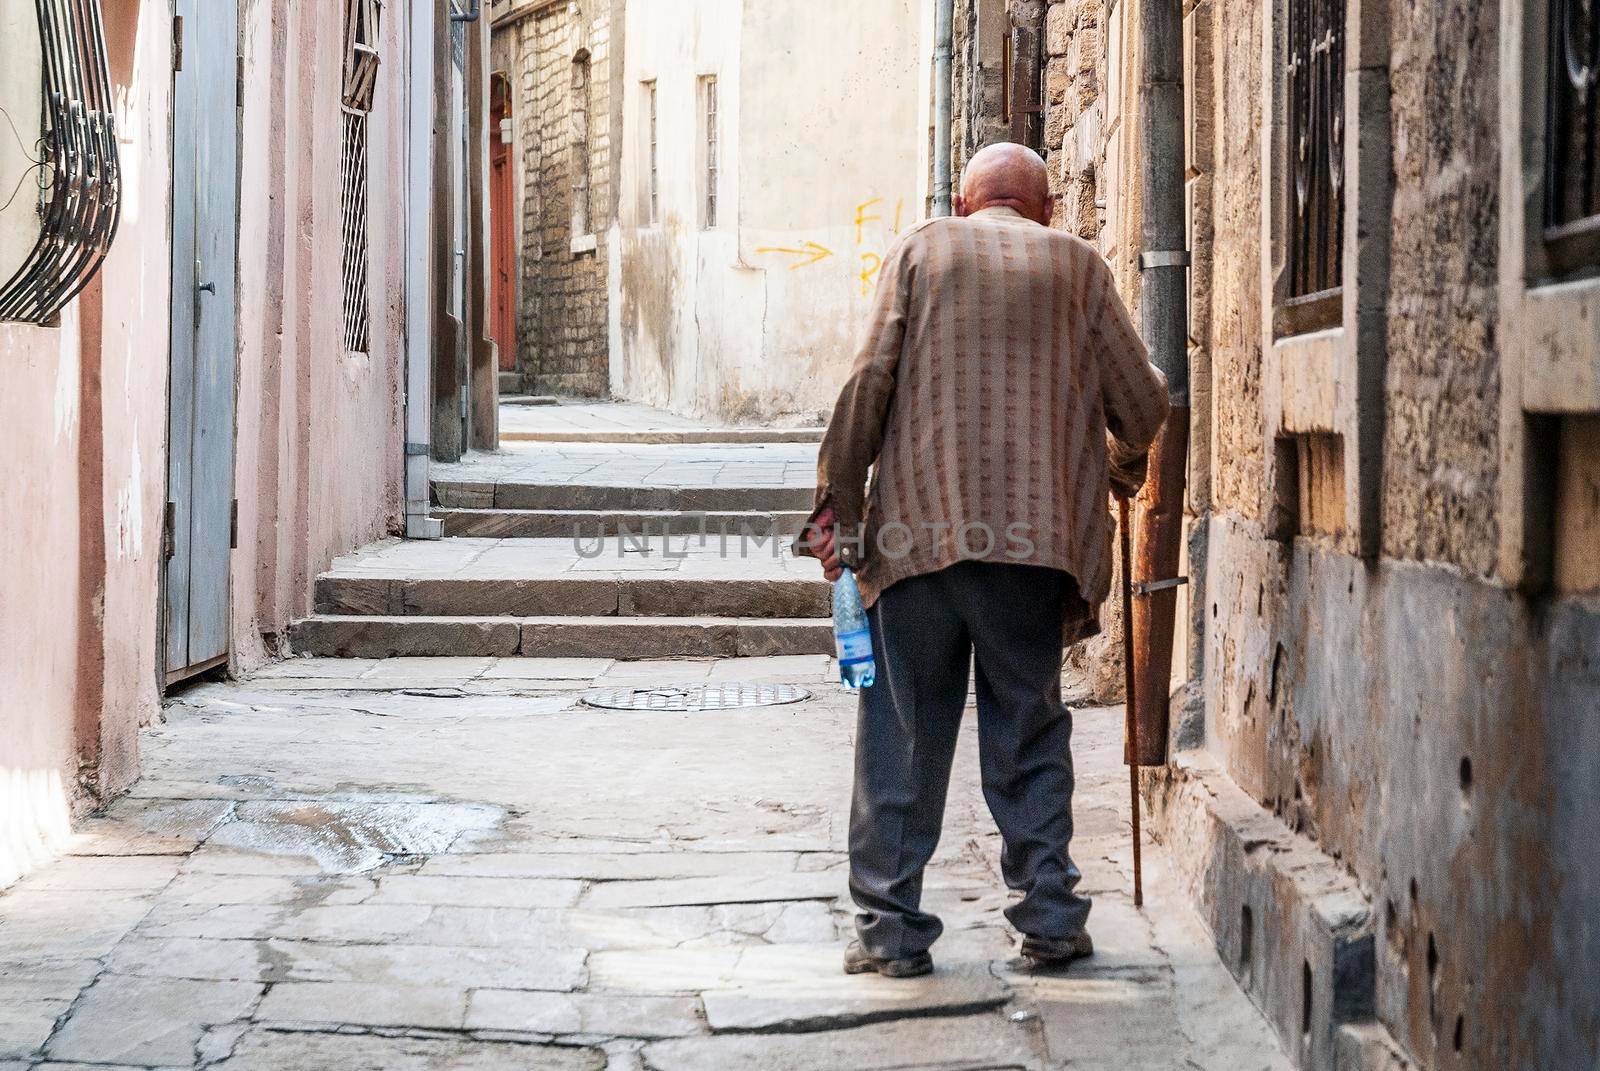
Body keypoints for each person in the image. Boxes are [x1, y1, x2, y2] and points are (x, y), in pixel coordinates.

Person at [798, 142, 1169, 978]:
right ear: (1043, 211)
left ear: (964, 205)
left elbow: (866, 386)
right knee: (1027, 725)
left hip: (916, 539)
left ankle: (891, 931)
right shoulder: (1076, 264)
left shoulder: (922, 249)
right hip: (1033, 551)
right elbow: (1146, 405)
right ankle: (1047, 917)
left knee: (902, 735)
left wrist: (837, 512)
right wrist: (1115, 468)